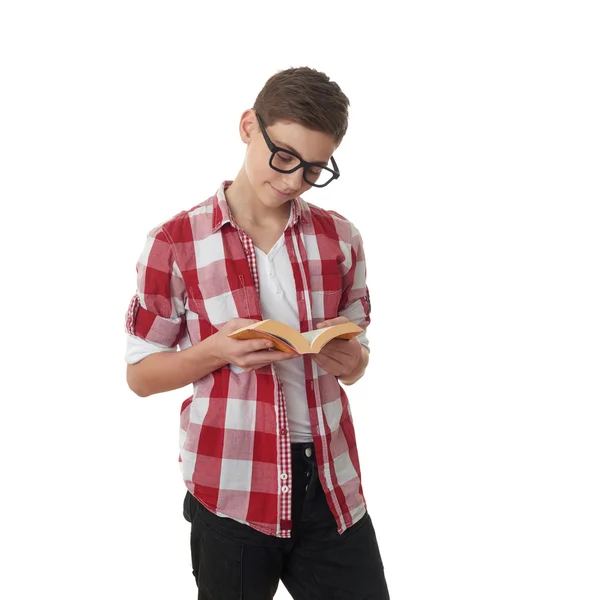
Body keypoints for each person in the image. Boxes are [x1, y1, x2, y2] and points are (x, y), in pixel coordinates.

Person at [124, 66, 390, 599]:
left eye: (313, 170)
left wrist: (355, 362)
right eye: (285, 157)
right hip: (231, 486)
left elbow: (357, 351)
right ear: (249, 126)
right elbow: (141, 376)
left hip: (331, 484)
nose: (293, 180)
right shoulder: (174, 242)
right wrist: (215, 352)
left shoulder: (340, 238)